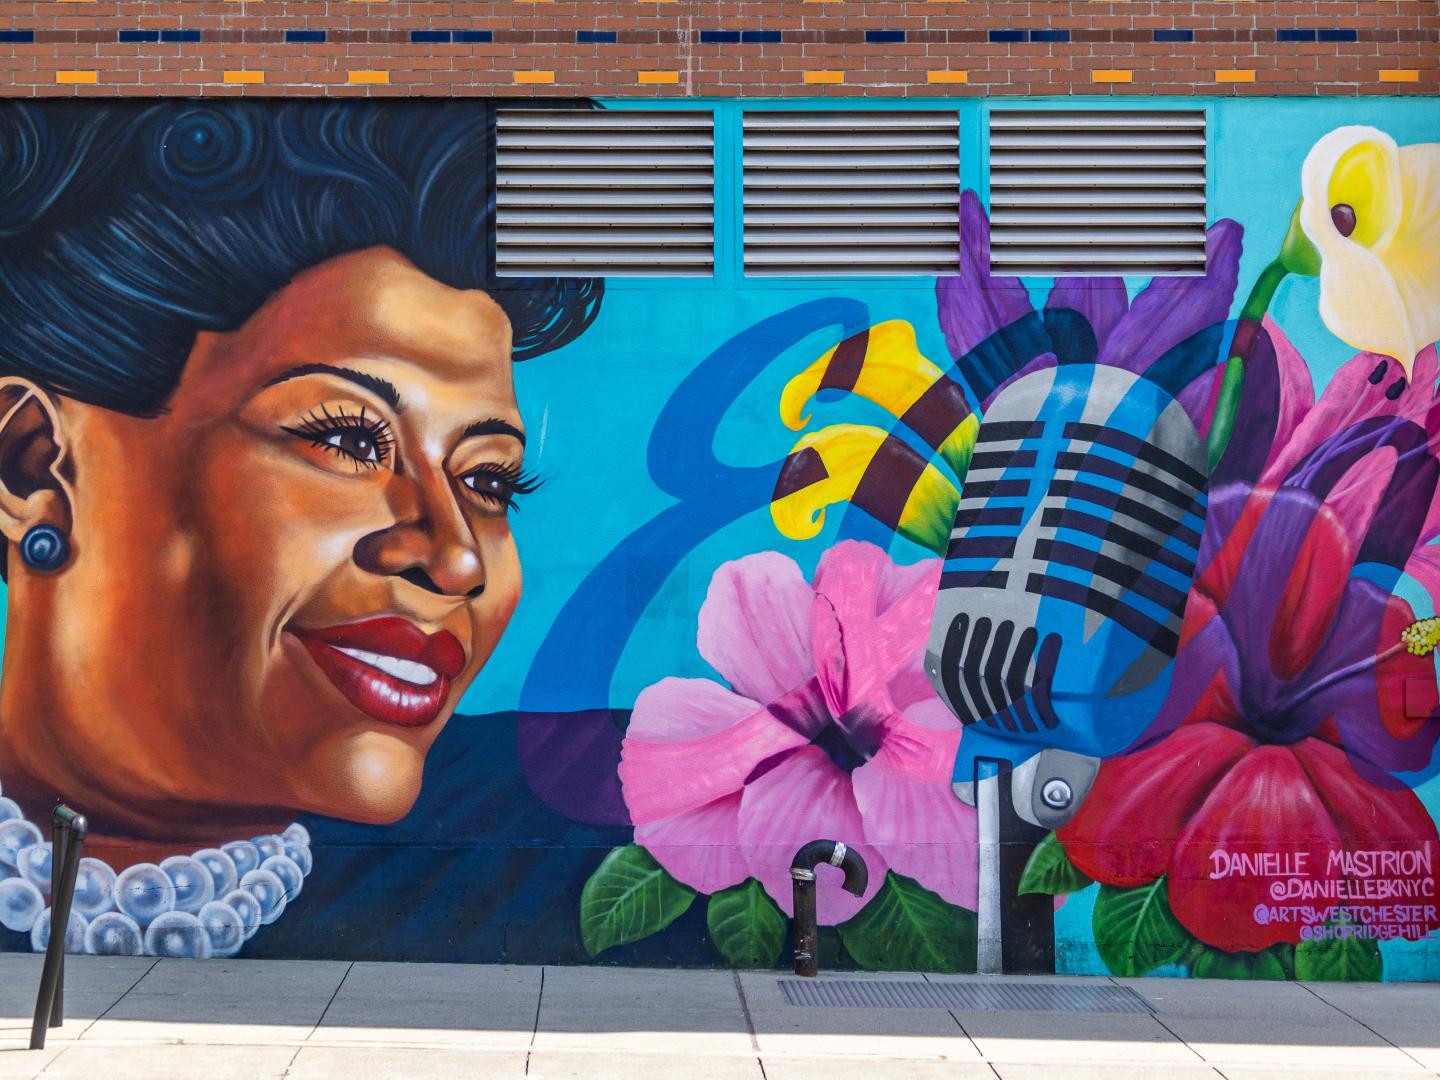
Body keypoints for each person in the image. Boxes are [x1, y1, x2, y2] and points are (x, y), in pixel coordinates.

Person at [0, 100, 602, 957]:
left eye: (487, 480)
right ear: (31, 467)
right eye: (349, 440)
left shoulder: (551, 831)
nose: (458, 558)